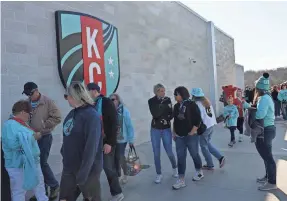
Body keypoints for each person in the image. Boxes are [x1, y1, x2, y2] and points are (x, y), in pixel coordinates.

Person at [59, 82, 103, 201]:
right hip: (70, 167)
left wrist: (83, 174)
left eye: (66, 96)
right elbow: (67, 137)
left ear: (74, 96)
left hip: (88, 170)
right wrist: (64, 152)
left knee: (92, 198)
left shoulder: (91, 116)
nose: (66, 99)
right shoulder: (71, 114)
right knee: (64, 198)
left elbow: (91, 147)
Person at [2, 100, 48, 201]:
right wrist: (33, 138)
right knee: (19, 191)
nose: (30, 116)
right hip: (18, 165)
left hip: (30, 162)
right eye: (29, 113)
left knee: (39, 189)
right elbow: (12, 144)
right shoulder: (9, 125)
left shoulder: (21, 124)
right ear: (23, 112)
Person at [22, 82, 61, 200]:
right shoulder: (27, 103)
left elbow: (57, 117)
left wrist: (43, 127)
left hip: (45, 137)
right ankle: (41, 192)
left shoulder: (48, 101)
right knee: (36, 165)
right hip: (33, 138)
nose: (29, 96)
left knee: (42, 163)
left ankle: (54, 185)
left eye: (31, 94)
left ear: (36, 90)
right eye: (27, 94)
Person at [87, 83, 124, 201]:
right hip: (94, 142)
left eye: (88, 91)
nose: (86, 94)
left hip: (105, 141)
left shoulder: (106, 102)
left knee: (108, 168)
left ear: (94, 91)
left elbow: (114, 123)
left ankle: (117, 193)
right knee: (91, 169)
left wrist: (110, 143)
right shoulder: (90, 104)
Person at [172, 86, 203, 190]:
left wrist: (192, 132)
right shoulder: (176, 106)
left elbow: (198, 119)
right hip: (179, 137)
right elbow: (175, 120)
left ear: (182, 94)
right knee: (180, 158)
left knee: (194, 154)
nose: (175, 96)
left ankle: (199, 171)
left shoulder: (191, 105)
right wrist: (174, 132)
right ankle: (181, 180)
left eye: (176, 94)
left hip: (191, 136)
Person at [148, 84, 178, 184]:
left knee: (169, 151)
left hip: (166, 129)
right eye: (161, 91)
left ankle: (175, 168)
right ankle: (159, 174)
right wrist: (163, 107)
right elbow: (155, 114)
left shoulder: (168, 99)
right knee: (156, 153)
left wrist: (165, 114)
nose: (163, 93)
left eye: (164, 91)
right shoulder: (151, 101)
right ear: (156, 91)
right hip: (155, 129)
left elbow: (171, 114)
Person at [253, 73, 277, 191]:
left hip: (265, 130)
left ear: (259, 88)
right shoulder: (267, 97)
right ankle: (268, 177)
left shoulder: (263, 99)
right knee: (267, 156)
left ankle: (272, 182)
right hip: (269, 129)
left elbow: (260, 115)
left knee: (268, 157)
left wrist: (250, 110)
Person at [191, 88, 225, 170]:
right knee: (207, 143)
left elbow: (199, 118)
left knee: (203, 146)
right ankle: (220, 157)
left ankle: (210, 164)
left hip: (204, 128)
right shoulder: (206, 102)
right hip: (211, 126)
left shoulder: (197, 104)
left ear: (194, 96)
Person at [109, 93, 135, 184]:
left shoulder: (124, 111)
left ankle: (125, 173)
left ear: (118, 100)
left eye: (113, 99)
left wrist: (131, 140)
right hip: (112, 139)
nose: (112, 101)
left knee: (119, 156)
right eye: (110, 100)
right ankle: (118, 174)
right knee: (114, 158)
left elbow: (129, 126)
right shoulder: (109, 111)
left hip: (122, 139)